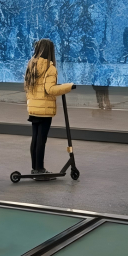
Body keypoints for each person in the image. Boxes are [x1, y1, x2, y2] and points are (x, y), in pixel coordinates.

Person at [24, 38, 75, 180]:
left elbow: (27, 87)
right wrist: (69, 87)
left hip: (33, 108)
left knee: (35, 139)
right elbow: (50, 89)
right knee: (41, 140)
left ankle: (35, 168)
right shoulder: (49, 68)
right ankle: (40, 169)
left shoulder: (31, 65)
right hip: (45, 109)